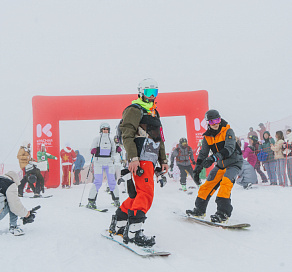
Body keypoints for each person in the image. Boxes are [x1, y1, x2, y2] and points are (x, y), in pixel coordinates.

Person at [108, 78, 168, 247]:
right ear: (141, 92)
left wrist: (163, 160)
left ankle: (119, 224)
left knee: (138, 194)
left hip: (151, 156)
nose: (151, 96)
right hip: (140, 157)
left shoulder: (154, 113)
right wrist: (133, 158)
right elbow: (127, 135)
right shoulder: (134, 110)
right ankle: (133, 233)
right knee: (146, 194)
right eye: (148, 93)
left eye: (154, 93)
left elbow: (160, 139)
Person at [186, 109, 243, 223]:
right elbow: (203, 153)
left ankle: (223, 213)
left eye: (217, 120)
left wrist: (213, 158)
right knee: (207, 185)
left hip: (233, 163)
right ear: (208, 123)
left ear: (220, 119)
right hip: (221, 165)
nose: (215, 124)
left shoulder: (228, 131)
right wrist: (198, 168)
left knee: (225, 183)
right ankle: (199, 210)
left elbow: (229, 149)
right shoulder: (207, 137)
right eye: (212, 122)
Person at [87, 123, 120, 208]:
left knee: (112, 181)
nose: (105, 131)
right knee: (97, 181)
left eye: (107, 129)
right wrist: (93, 150)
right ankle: (91, 201)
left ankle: (116, 200)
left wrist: (117, 150)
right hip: (98, 162)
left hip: (108, 162)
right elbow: (91, 149)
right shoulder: (97, 139)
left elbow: (113, 151)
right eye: (104, 129)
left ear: (109, 131)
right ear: (101, 130)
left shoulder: (111, 140)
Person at [0, 171, 37, 236]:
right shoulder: (10, 184)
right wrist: (26, 214)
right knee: (11, 202)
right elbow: (15, 205)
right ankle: (13, 227)